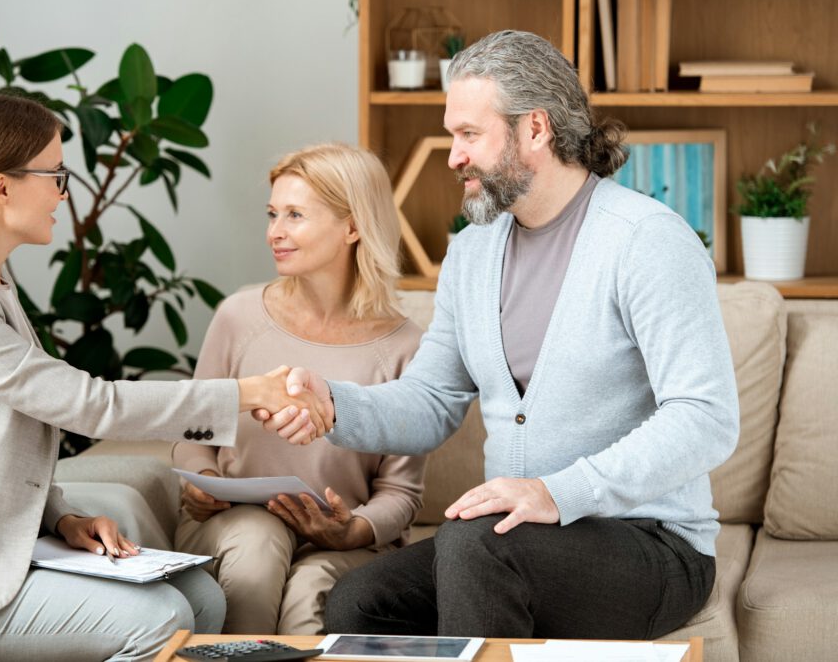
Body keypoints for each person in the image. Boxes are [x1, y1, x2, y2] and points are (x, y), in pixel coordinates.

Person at [263, 31, 740, 640]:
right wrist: (334, 403)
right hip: (518, 539)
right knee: (360, 599)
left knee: (474, 546)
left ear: (534, 129)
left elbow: (705, 417)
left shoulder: (646, 242)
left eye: (469, 134)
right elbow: (434, 399)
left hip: (651, 543)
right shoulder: (473, 252)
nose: (453, 156)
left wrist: (555, 492)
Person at [0, 94, 326, 662]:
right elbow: (86, 404)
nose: (63, 193)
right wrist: (248, 393)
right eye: (55, 174)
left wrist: (63, 518)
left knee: (199, 596)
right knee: (162, 618)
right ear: (2, 188)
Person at [173, 142, 426, 634]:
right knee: (257, 545)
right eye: (272, 214)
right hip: (233, 525)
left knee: (311, 588)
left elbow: (400, 492)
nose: (275, 232)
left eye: (294, 215)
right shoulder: (237, 316)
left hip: (344, 540)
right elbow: (192, 432)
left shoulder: (406, 347)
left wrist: (351, 531)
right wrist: (197, 481)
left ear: (353, 227)